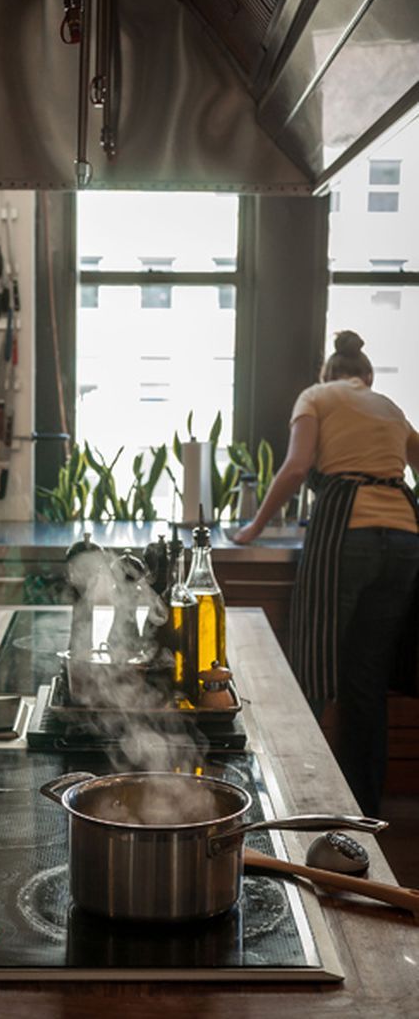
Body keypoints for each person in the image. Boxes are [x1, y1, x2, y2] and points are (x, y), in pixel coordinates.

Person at [233, 330, 419, 816]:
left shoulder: (315, 396)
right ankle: (363, 810)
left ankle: (290, 802)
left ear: (328, 375)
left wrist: (252, 528)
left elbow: (296, 468)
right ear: (367, 377)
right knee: (366, 680)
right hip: (404, 537)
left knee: (313, 670)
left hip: (347, 533)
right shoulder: (390, 407)